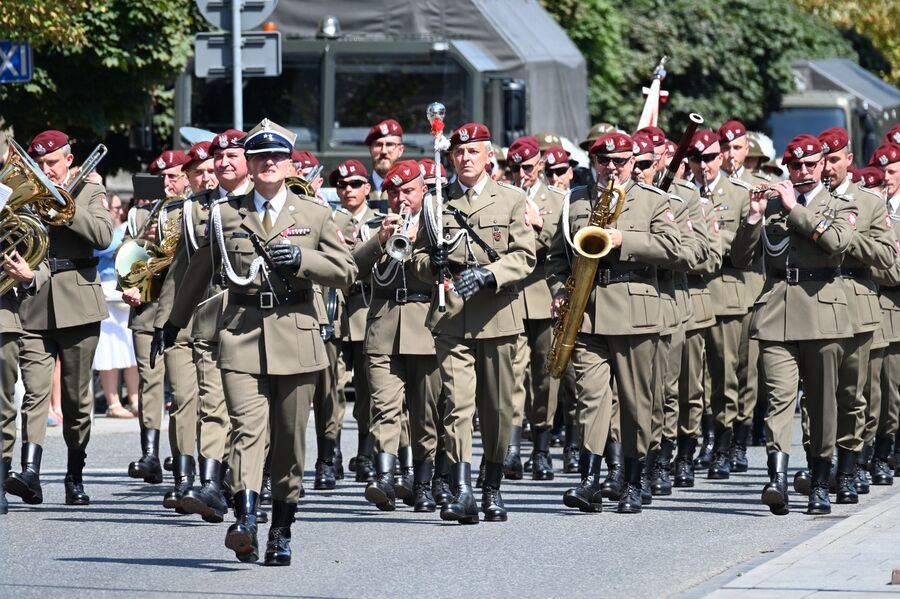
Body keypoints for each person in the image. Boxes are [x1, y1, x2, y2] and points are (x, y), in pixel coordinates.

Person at [162, 118, 356, 564]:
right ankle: (245, 518)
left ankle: (282, 530)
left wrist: (304, 258)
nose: (268, 163)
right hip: (242, 332)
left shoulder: (314, 213)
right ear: (248, 164)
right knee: (247, 431)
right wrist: (172, 324)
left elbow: (346, 270)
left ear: (289, 165)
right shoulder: (227, 215)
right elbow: (197, 273)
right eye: (260, 157)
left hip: (297, 332)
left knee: (289, 443)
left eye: (276, 157)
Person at [412, 122, 536, 523]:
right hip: (452, 318)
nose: (464, 159)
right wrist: (433, 267)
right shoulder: (436, 203)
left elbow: (525, 256)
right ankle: (463, 490)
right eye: (458, 153)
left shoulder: (511, 200)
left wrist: (489, 274)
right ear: (450, 158)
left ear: (488, 157)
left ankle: (492, 485)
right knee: (457, 406)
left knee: (498, 410)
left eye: (473, 152)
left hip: (499, 316)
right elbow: (416, 259)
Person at [550, 131, 680, 514]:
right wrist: (559, 289)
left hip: (635, 309)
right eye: (604, 161)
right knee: (591, 397)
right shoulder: (574, 200)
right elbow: (558, 258)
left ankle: (633, 480)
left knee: (636, 402)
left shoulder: (654, 200)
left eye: (620, 162)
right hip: (586, 311)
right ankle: (591, 478)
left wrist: (625, 239)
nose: (611, 168)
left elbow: (674, 248)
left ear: (633, 162)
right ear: (593, 161)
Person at [730, 134, 856, 516]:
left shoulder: (841, 203)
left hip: (822, 313)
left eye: (809, 166)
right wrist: (753, 218)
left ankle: (819, 482)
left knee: (820, 405)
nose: (802, 172)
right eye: (795, 167)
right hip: (776, 312)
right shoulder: (769, 206)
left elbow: (837, 242)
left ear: (822, 166)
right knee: (779, 400)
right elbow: (740, 256)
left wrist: (794, 209)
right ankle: (777, 478)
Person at [7, 129, 114, 506]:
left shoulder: (89, 190)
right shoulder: (27, 193)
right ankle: (30, 472)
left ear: (69, 159)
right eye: (39, 163)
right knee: (35, 393)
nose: (44, 169)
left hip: (78, 304)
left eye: (51, 163)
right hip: (34, 301)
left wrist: (65, 208)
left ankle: (74, 474)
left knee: (75, 399)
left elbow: (103, 236)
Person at [351, 159, 443, 512]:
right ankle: (385, 476)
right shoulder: (375, 228)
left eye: (408, 191)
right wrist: (380, 239)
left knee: (425, 413)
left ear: (423, 190)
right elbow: (352, 269)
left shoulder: (438, 225)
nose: (401, 199)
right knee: (385, 408)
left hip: (426, 325)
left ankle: (422, 484)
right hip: (384, 326)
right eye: (394, 193)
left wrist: (429, 244)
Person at [688, 129, 754, 479]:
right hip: (689, 293)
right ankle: (700, 440)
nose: (705, 166)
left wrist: (712, 241)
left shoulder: (740, 194)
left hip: (726, 293)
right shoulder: (680, 193)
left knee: (726, 375)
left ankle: (726, 443)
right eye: (697, 160)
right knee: (691, 379)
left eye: (711, 158)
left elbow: (742, 247)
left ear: (721, 158)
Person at [505, 135, 566, 481]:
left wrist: (539, 224)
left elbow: (565, 241)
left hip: (544, 294)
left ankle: (541, 447)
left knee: (546, 375)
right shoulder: (504, 195)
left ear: (540, 166)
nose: (520, 174)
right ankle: (512, 448)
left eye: (527, 167)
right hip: (512, 295)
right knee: (513, 374)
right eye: (514, 168)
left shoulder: (557, 199)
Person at [332, 159, 381, 483]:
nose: (348, 190)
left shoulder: (379, 222)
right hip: (334, 311)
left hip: (366, 310)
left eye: (355, 184)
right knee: (331, 387)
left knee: (367, 388)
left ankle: (365, 452)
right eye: (342, 185)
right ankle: (330, 453)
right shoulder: (328, 218)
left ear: (367, 188)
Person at [0, 253, 49, 515]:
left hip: (3, 314)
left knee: (1, 403)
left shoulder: (15, 220)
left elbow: (39, 262)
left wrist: (30, 277)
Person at [92, 193, 137, 418]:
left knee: (129, 348)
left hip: (125, 289)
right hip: (106, 288)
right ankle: (113, 402)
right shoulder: (101, 231)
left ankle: (135, 399)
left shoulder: (124, 229)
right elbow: (102, 248)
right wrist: (128, 241)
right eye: (114, 208)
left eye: (120, 208)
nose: (119, 211)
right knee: (109, 350)